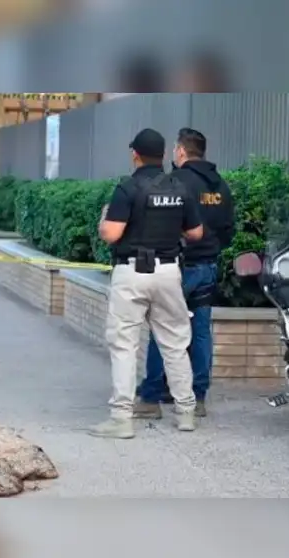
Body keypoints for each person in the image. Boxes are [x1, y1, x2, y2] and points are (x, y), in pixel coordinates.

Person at [89, 128, 205, 439]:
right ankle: (186, 413)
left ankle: (121, 419)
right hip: (169, 272)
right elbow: (195, 234)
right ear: (165, 155)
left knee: (125, 345)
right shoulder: (180, 188)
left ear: (135, 154)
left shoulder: (127, 188)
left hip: (132, 273)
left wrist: (103, 220)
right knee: (176, 344)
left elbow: (111, 234)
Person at [134, 128, 236, 419]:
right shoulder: (220, 186)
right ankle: (198, 396)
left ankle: (151, 396)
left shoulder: (175, 181)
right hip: (208, 265)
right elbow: (229, 229)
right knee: (201, 332)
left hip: (179, 266)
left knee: (162, 329)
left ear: (180, 152)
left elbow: (161, 223)